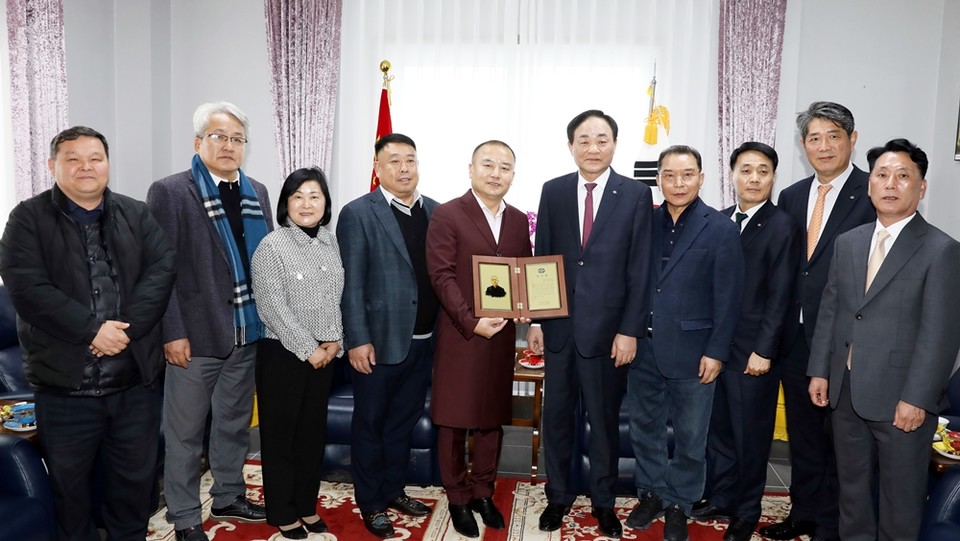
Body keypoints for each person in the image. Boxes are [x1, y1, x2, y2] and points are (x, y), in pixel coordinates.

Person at [0, 126, 176, 541]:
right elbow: (27, 288)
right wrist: (92, 331)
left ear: (107, 164)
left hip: (134, 383)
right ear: (52, 166)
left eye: (95, 157)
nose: (86, 167)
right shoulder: (27, 218)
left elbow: (162, 269)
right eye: (73, 159)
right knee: (70, 492)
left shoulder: (136, 213)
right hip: (65, 388)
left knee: (133, 487)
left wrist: (123, 332)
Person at [807, 139, 960, 541]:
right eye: (882, 175)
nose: (891, 184)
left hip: (901, 401)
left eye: (903, 175)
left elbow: (941, 334)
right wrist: (820, 372)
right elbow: (832, 311)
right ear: (870, 183)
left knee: (900, 502)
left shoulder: (941, 250)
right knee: (852, 498)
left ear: (921, 187)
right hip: (846, 393)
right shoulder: (849, 242)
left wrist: (918, 398)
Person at [147, 102, 273, 541]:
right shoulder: (170, 191)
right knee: (184, 433)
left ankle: (228, 494)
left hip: (247, 330)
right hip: (194, 337)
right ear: (198, 142)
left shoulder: (258, 190)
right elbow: (159, 271)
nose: (229, 146)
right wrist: (172, 331)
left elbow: (267, 265)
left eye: (238, 139)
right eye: (220, 136)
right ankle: (184, 516)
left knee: (233, 422)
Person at [527, 109, 653, 539]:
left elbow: (640, 270)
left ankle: (603, 503)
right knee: (557, 421)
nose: (593, 147)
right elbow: (542, 258)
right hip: (560, 332)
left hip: (609, 335)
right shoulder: (554, 191)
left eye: (602, 139)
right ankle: (558, 497)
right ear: (570, 146)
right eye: (584, 139)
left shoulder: (635, 194)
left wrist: (630, 330)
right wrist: (537, 323)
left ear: (614, 144)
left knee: (603, 423)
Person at [761, 101, 875, 541]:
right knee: (804, 435)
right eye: (814, 138)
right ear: (803, 144)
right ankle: (804, 513)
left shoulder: (871, 191)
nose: (823, 146)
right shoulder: (791, 196)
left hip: (846, 340)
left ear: (852, 139)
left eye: (833, 136)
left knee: (841, 440)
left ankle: (835, 524)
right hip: (797, 335)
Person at [625, 145, 744, 541]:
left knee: (692, 437)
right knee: (646, 429)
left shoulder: (721, 228)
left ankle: (680, 502)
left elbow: (729, 299)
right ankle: (651, 494)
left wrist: (716, 351)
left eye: (687, 174)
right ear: (658, 178)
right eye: (670, 175)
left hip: (695, 353)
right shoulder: (644, 221)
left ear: (701, 178)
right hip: (644, 347)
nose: (678, 183)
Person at [692, 142, 799, 541]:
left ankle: (747, 510)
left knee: (751, 435)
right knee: (718, 429)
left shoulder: (783, 226)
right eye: (746, 170)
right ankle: (721, 495)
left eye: (763, 171)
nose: (754, 178)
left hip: (753, 351)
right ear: (732, 174)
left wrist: (764, 350)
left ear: (773, 177)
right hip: (715, 348)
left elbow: (781, 295)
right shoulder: (718, 221)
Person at [426, 140, 532, 538]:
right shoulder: (448, 214)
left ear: (512, 175)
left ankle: (484, 490)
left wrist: (528, 311)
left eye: (505, 167)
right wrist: (472, 322)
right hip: (461, 335)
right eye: (488, 165)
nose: (495, 173)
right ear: (470, 168)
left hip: (503, 336)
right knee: (453, 420)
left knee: (491, 418)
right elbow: (441, 275)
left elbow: (520, 274)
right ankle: (457, 496)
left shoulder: (520, 220)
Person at [336, 133, 440, 538]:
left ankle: (394, 489)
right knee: (371, 425)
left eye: (410, 160)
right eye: (393, 161)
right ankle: (372, 502)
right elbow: (352, 284)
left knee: (403, 422)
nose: (403, 168)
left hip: (425, 340)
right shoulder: (358, 213)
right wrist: (357, 340)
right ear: (377, 169)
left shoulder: (435, 210)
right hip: (377, 344)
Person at [250, 167, 343, 539]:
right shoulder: (272, 246)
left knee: (311, 438)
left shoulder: (331, 242)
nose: (307, 204)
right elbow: (271, 307)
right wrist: (308, 350)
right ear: (286, 203)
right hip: (283, 355)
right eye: (298, 196)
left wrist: (335, 342)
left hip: (325, 354)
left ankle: (306, 505)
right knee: (281, 438)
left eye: (314, 196)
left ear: (325, 203)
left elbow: (334, 299)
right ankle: (283, 511)